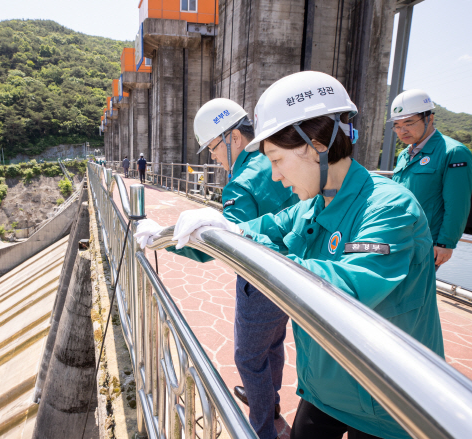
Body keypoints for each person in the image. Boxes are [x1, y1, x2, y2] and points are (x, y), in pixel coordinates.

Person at [166, 71, 444, 439]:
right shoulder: (313, 205)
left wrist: (265, 259)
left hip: (388, 403)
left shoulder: (389, 207)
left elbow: (346, 286)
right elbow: (265, 227)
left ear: (316, 144)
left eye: (277, 160)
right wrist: (214, 230)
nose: (276, 176)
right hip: (326, 387)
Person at [136, 98, 298, 439]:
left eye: (212, 147)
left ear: (234, 138)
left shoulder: (241, 182)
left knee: (248, 358)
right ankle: (269, 403)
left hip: (260, 278)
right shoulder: (276, 162)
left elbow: (218, 246)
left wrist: (161, 237)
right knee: (273, 345)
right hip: (292, 274)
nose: (212, 156)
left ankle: (261, 428)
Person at [389, 89, 472, 267]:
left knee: (414, 293)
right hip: (398, 237)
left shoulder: (454, 153)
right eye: (397, 125)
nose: (402, 130)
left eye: (409, 123)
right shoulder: (405, 154)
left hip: (425, 243)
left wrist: (445, 243)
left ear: (429, 118)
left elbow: (457, 204)